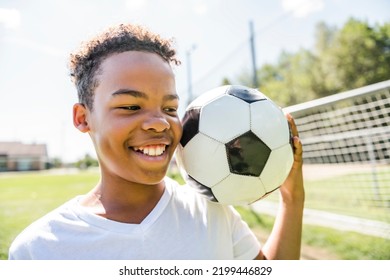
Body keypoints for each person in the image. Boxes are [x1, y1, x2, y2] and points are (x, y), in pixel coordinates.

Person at [8, 23, 304, 260]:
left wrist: (293, 200)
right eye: (131, 107)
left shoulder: (210, 211)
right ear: (83, 118)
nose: (159, 122)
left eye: (170, 108)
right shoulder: (39, 251)